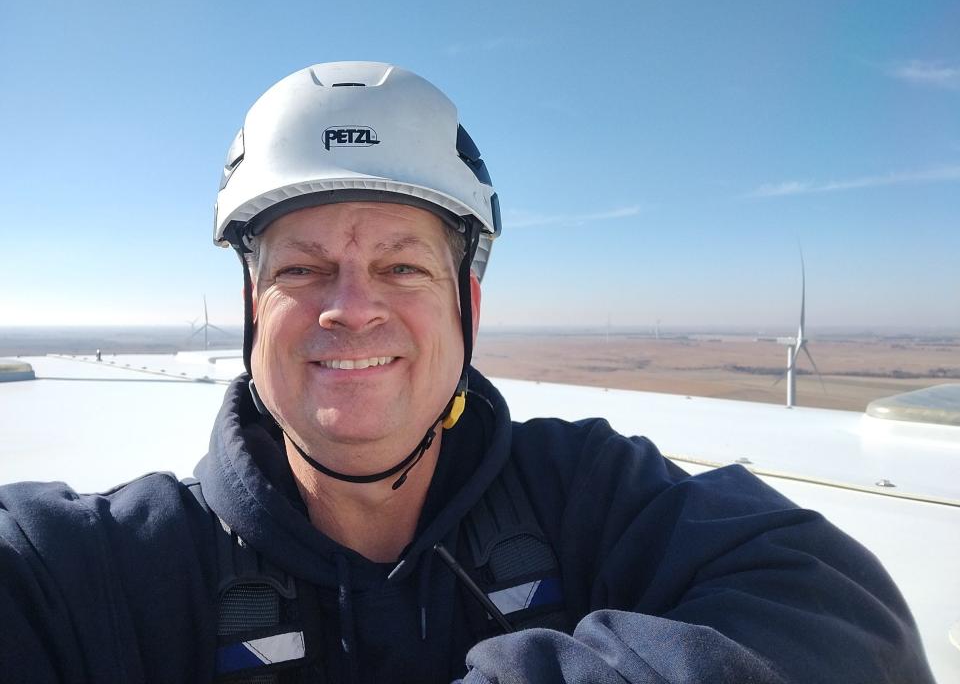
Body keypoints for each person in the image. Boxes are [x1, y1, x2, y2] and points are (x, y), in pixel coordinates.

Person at [0, 62, 934, 684]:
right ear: (253, 311)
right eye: (300, 267)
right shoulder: (108, 568)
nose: (350, 307)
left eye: (402, 265)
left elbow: (845, 615)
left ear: (467, 308)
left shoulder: (584, 497)